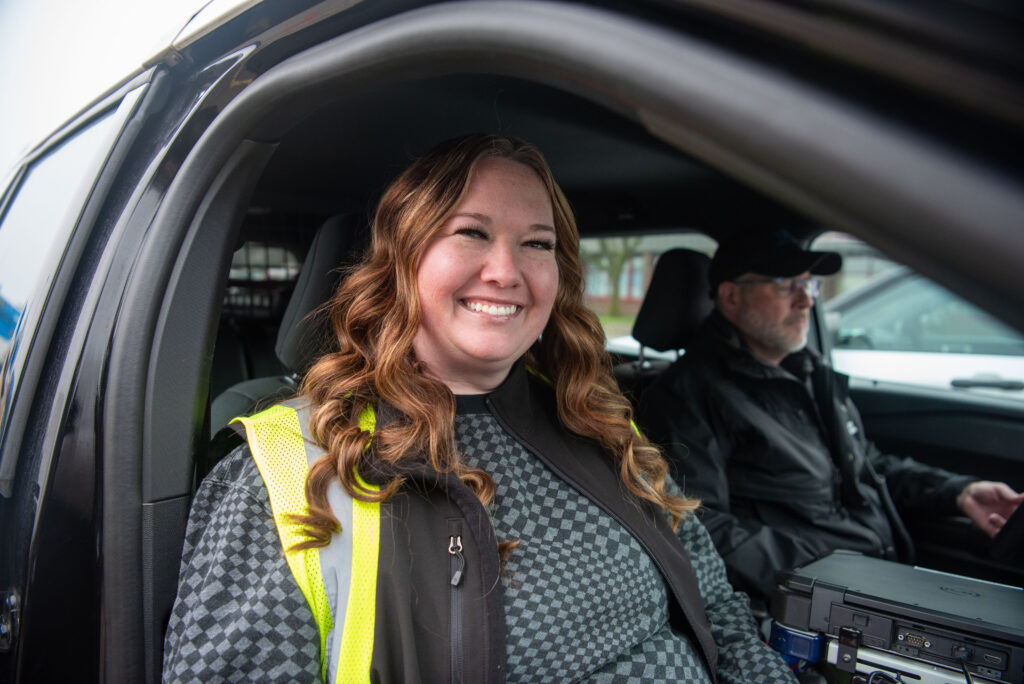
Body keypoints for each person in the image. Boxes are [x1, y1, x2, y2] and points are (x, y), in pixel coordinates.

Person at [162, 134, 796, 683]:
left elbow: (718, 609)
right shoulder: (286, 473)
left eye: (537, 244)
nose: (506, 270)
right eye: (471, 232)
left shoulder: (598, 420)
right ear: (404, 259)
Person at [639, 231, 1024, 604]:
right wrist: (833, 578)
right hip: (820, 600)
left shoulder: (807, 373)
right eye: (785, 284)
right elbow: (702, 529)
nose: (806, 300)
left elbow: (867, 466)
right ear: (731, 296)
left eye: (809, 284)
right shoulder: (685, 397)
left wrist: (957, 492)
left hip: (881, 578)